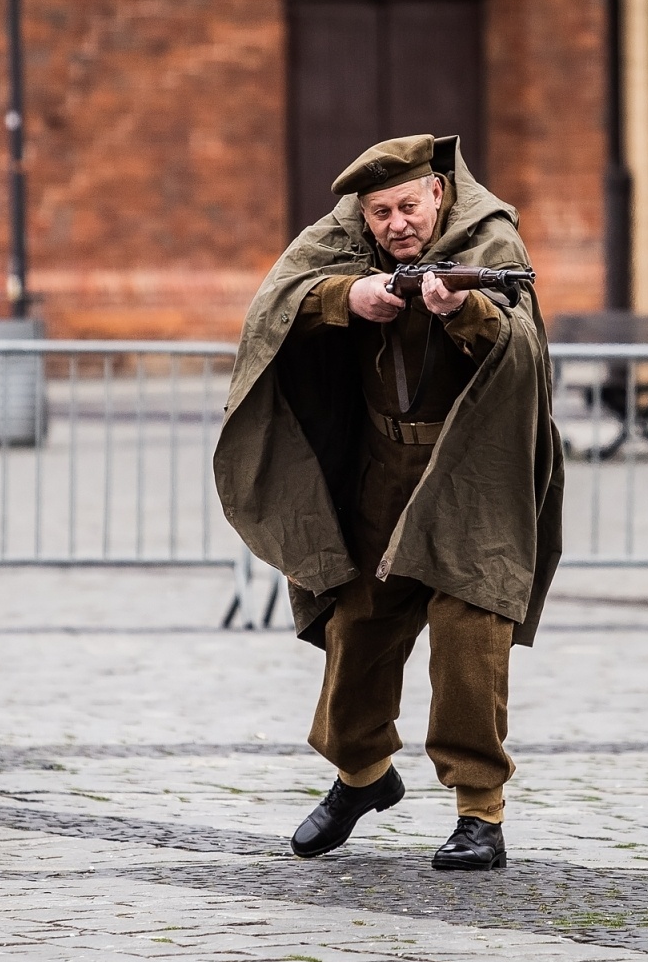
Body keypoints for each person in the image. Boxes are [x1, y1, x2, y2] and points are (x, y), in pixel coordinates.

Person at [213, 134, 563, 871]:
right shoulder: (338, 242)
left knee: (471, 635)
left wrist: (464, 312)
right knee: (358, 630)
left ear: (438, 192)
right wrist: (349, 297)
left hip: (472, 473)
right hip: (379, 468)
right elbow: (275, 307)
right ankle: (362, 776)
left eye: (408, 205)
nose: (397, 224)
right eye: (380, 213)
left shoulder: (488, 237)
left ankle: (480, 813)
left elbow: (521, 344)